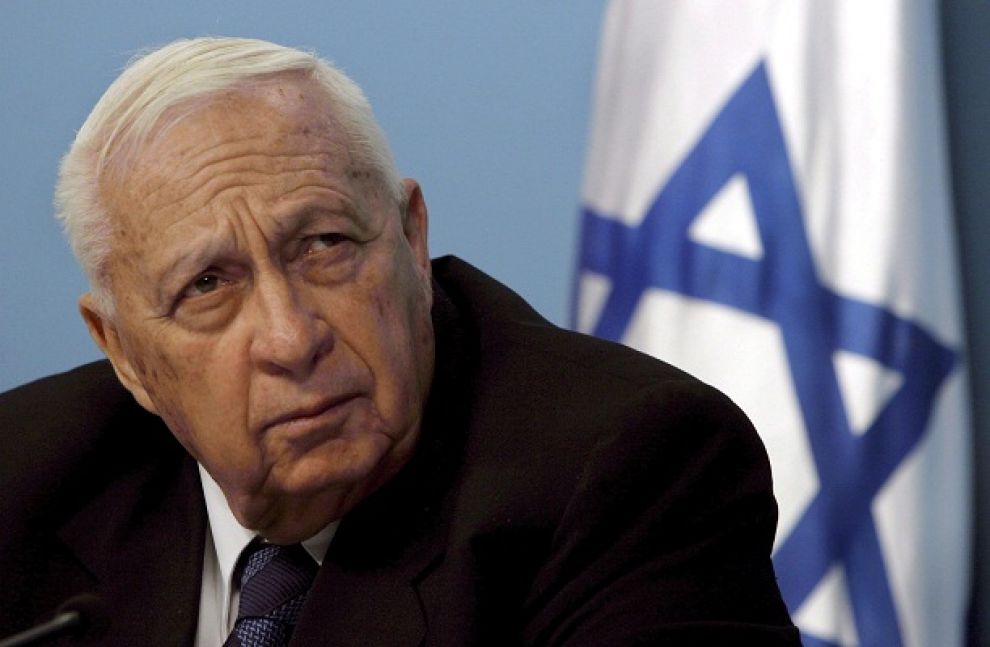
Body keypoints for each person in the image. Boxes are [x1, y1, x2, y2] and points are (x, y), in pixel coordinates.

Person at [0, 37, 799, 645]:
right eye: (208, 285)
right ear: (125, 353)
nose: (291, 337)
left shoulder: (628, 471)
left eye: (325, 245)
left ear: (412, 238)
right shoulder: (21, 478)